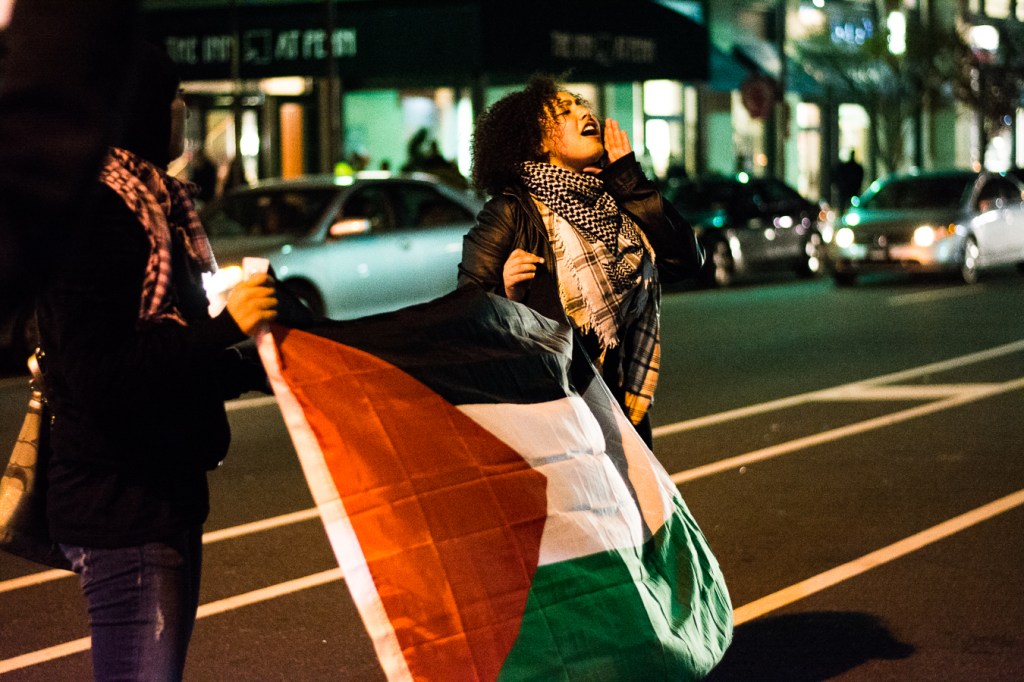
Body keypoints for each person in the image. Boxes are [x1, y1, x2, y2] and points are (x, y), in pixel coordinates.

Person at [34, 43, 278, 682]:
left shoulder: (157, 205)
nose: (183, 114)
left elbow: (170, 362)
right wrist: (227, 325)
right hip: (122, 503)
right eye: (174, 99)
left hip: (158, 492)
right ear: (138, 106)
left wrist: (261, 366)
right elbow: (101, 374)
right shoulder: (98, 213)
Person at [458, 75, 704, 447]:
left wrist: (629, 180)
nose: (583, 112)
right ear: (537, 141)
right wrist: (505, 292)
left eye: (581, 105)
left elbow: (685, 260)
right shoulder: (511, 211)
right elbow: (466, 314)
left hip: (619, 412)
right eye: (564, 111)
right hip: (555, 414)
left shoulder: (616, 198)